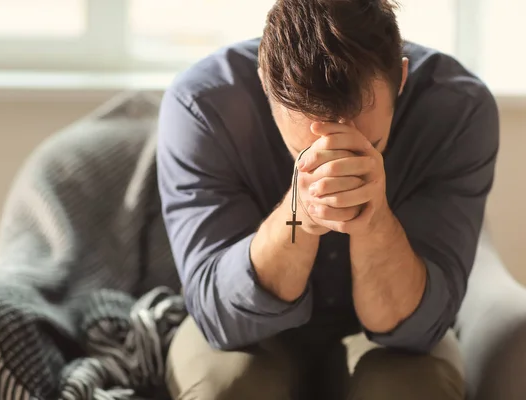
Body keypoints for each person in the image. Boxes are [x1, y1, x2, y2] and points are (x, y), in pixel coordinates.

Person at [156, 0, 499, 398]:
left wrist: (373, 221)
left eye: (365, 146)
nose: (335, 169)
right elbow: (220, 319)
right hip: (251, 338)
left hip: (386, 339)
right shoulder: (202, 104)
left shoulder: (458, 109)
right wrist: (299, 213)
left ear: (400, 78)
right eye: (310, 155)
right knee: (224, 387)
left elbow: (420, 329)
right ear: (264, 82)